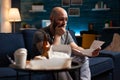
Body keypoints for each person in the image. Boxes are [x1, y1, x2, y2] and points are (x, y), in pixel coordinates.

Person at [32, 7, 100, 80]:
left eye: (66, 19)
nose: (64, 23)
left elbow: (75, 48)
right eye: (61, 19)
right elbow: (50, 56)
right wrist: (57, 35)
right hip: (44, 62)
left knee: (84, 57)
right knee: (57, 61)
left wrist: (89, 52)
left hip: (61, 59)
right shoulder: (40, 34)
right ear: (51, 19)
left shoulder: (66, 33)